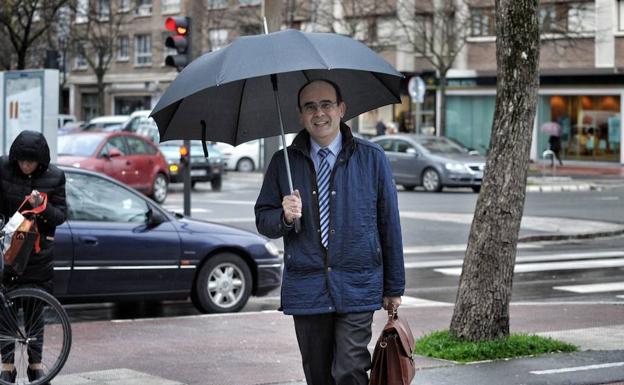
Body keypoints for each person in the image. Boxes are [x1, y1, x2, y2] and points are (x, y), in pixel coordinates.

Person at [255, 80, 405, 385]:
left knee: (349, 368)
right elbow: (263, 220)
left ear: (341, 109)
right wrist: (283, 215)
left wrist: (394, 286)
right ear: (300, 115)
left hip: (357, 283)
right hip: (307, 287)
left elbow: (389, 223)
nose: (319, 113)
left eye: (325, 104)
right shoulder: (283, 163)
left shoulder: (371, 158)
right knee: (319, 375)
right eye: (310, 107)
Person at [0, 131, 67, 384]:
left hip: (38, 256)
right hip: (9, 252)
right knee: (5, 313)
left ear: (41, 162)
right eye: (21, 160)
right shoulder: (4, 169)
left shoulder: (55, 177)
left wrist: (44, 207)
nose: (25, 165)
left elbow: (61, 216)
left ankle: (35, 367)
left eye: (31, 161)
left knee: (34, 315)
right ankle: (7, 366)